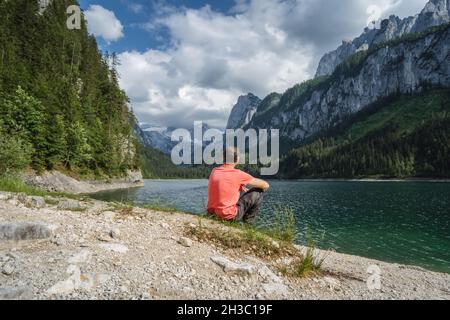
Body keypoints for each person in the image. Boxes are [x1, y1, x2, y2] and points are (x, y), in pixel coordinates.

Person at [207, 147, 270, 223]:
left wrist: (237, 185)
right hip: (228, 216)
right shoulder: (238, 174)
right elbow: (266, 185)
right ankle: (248, 224)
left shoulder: (214, 171)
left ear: (223, 158)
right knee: (258, 192)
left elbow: (223, 183)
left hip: (211, 214)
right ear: (237, 159)